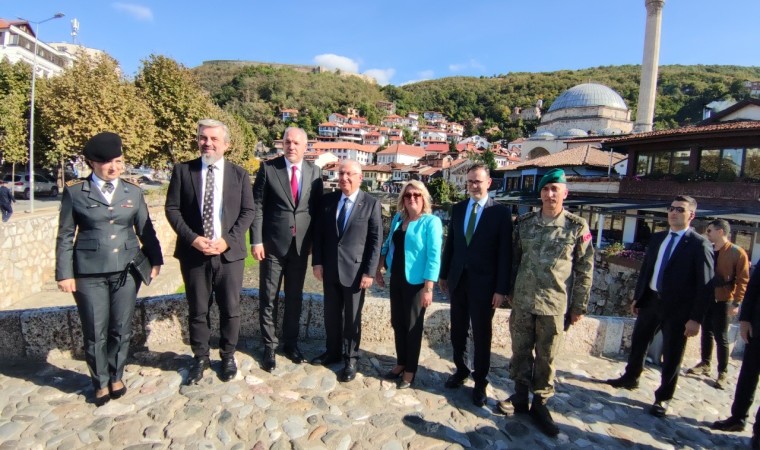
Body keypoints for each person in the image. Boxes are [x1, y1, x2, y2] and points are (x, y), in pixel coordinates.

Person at [55, 132, 163, 406]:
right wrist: (65, 273)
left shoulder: (133, 192)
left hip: (126, 270)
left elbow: (145, 230)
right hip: (88, 273)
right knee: (95, 330)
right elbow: (65, 235)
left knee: (121, 328)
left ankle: (116, 375)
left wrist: (156, 259)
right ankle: (99, 381)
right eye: (106, 163)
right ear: (92, 163)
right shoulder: (75, 193)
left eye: (118, 160)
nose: (113, 167)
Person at [500, 168, 594, 437]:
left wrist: (579, 306)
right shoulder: (526, 223)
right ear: (540, 193)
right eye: (545, 189)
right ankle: (519, 396)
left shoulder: (577, 226)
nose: (550, 194)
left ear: (565, 193)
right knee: (519, 352)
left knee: (547, 357)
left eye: (555, 189)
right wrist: (509, 290)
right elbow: (515, 259)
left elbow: (585, 268)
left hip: (554, 304)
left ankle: (540, 404)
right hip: (523, 301)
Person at [605, 195, 714, 418]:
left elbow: (705, 286)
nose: (673, 213)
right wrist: (638, 296)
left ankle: (663, 398)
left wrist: (696, 318)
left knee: (672, 354)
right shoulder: (658, 238)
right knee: (639, 342)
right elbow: (647, 269)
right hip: (651, 300)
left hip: (678, 309)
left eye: (680, 210)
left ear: (691, 215)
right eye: (671, 208)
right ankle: (631, 377)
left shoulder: (699, 244)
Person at [165, 119, 254, 384]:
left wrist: (228, 240)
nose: (208, 143)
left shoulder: (239, 175)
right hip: (195, 254)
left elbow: (248, 212)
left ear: (226, 144)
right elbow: (172, 209)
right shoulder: (183, 171)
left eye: (214, 139)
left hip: (229, 255)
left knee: (231, 308)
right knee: (198, 309)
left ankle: (227, 355)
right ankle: (200, 357)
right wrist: (192, 239)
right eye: (203, 138)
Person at [438, 164, 512, 407]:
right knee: (458, 329)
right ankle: (461, 370)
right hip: (458, 280)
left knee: (482, 334)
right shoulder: (458, 209)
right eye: (470, 181)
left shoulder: (500, 213)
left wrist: (501, 289)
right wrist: (443, 274)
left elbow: (505, 254)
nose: (473, 186)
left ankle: (480, 381)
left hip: (485, 285)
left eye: (478, 181)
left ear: (488, 183)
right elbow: (451, 244)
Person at [250, 127, 323, 372]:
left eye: (296, 143)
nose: (291, 146)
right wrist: (256, 240)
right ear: (282, 144)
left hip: (301, 247)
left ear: (305, 147)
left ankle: (290, 343)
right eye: (287, 142)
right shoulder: (269, 169)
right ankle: (269, 346)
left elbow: (316, 211)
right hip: (272, 245)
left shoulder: (315, 173)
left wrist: (315, 244)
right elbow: (257, 206)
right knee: (268, 297)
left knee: (295, 298)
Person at [312, 160, 382, 382]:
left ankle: (351, 358)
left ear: (360, 178)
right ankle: (332, 352)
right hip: (330, 269)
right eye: (341, 174)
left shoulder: (371, 204)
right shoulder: (328, 201)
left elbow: (375, 240)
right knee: (331, 315)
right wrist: (317, 262)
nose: (344, 178)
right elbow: (320, 235)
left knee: (352, 318)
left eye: (349, 174)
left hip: (355, 272)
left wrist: (370, 272)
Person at [375, 180, 442, 389]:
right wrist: (379, 268)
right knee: (398, 322)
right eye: (407, 195)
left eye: (416, 195)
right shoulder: (398, 218)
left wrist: (429, 288)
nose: (412, 198)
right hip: (397, 277)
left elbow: (434, 256)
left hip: (417, 282)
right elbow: (387, 244)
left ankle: (410, 370)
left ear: (424, 198)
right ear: (402, 199)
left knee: (413, 327)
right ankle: (401, 362)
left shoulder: (431, 222)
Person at [687, 219, 750, 389]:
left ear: (720, 231)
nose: (707, 233)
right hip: (706, 297)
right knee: (705, 331)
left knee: (721, 336)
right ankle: (705, 363)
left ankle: (723, 371)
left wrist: (736, 302)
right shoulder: (707, 248)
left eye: (710, 231)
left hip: (723, 298)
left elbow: (743, 280)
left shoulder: (737, 252)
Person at [711, 265, 760, 449]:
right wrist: (745, 319)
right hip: (757, 328)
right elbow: (753, 287)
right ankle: (737, 418)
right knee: (748, 374)